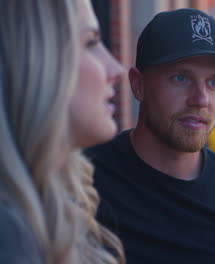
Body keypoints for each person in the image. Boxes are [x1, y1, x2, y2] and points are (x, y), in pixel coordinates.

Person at [86, 8, 215, 264]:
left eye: (214, 82)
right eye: (180, 78)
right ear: (139, 85)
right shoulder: (83, 181)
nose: (201, 99)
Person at [0, 0, 125, 263]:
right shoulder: (11, 240)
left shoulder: (46, 207)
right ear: (35, 60)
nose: (116, 69)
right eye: (91, 42)